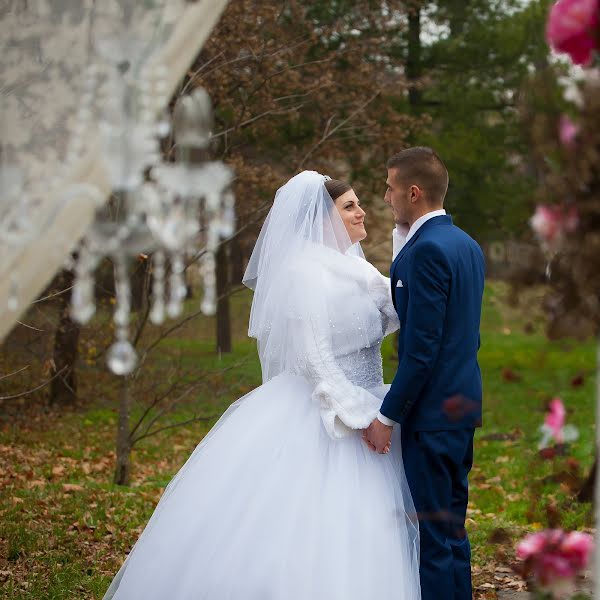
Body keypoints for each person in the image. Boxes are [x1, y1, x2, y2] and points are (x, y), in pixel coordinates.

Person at [103, 170, 421, 600]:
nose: (362, 211)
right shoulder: (304, 273)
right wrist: (359, 415)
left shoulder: (355, 267)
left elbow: (394, 310)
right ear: (319, 219)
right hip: (328, 412)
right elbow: (313, 357)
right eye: (349, 206)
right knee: (306, 530)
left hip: (370, 401)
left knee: (368, 532)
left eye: (358, 203)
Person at [363, 147, 485, 600]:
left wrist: (387, 416)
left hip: (432, 416)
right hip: (461, 406)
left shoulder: (426, 251)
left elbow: (421, 350)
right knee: (452, 532)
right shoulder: (466, 245)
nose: (386, 196)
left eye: (391, 188)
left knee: (433, 541)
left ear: (413, 192)